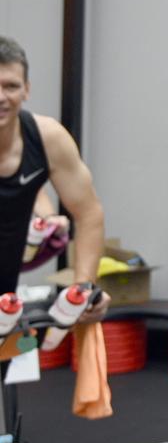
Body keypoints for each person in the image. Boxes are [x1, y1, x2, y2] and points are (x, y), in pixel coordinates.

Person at [0, 36, 109, 318]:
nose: (1, 97)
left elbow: (89, 214)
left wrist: (84, 287)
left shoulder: (48, 139)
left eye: (10, 86)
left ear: (27, 90)